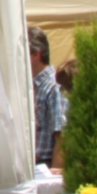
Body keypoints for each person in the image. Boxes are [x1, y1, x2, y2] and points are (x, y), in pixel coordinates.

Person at [28, 27, 63, 171]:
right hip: (35, 168)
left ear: (37, 54)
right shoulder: (33, 86)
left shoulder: (54, 87)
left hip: (46, 168)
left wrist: (54, 179)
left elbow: (62, 138)